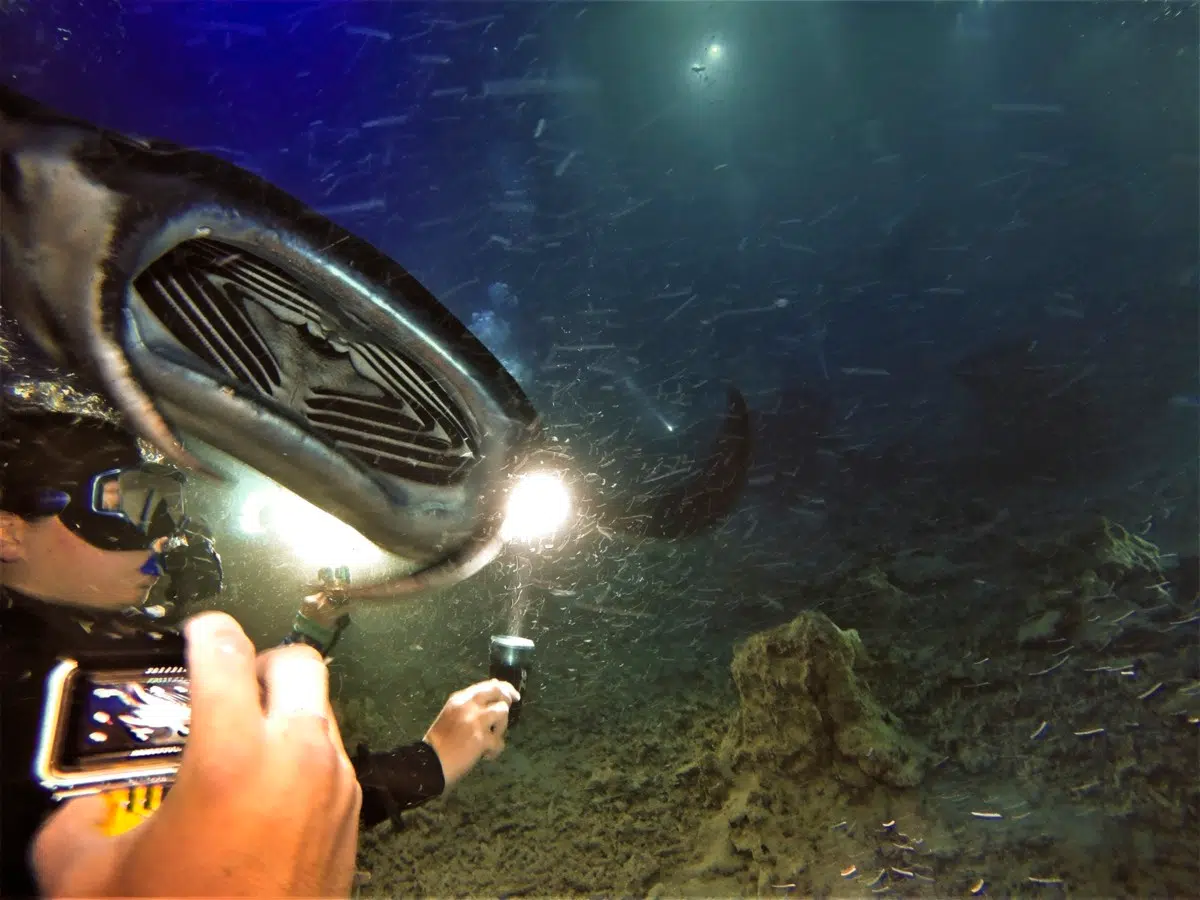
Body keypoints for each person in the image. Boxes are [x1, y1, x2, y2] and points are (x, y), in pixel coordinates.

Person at [1, 403, 519, 898]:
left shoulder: (121, 643)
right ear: (9, 533)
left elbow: (243, 786)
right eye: (125, 504)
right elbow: (245, 827)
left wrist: (311, 633)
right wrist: (426, 764)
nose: (161, 537)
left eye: (162, 505)